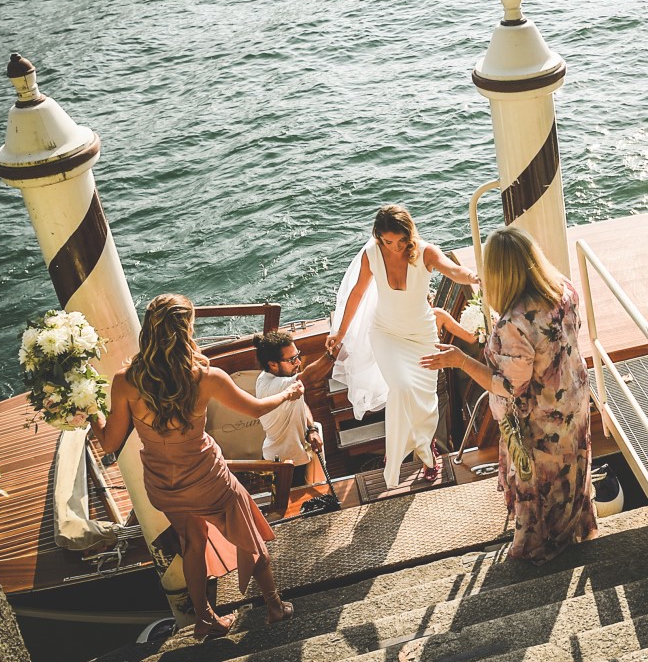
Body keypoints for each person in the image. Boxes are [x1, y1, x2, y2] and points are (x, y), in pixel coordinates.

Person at [97, 294, 299, 640]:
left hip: (163, 482)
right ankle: (274, 606)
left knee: (192, 542)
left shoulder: (126, 380)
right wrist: (287, 394)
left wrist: (92, 415)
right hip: (206, 477)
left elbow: (110, 442)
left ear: (148, 332)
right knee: (248, 535)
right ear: (187, 330)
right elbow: (255, 409)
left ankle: (205, 619)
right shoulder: (206, 377)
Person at [421, 226, 598, 564]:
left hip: (542, 419)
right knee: (571, 472)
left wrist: (460, 360)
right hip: (573, 399)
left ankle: (539, 547)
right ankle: (575, 532)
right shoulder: (564, 289)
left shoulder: (514, 323)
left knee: (542, 483)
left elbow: (508, 385)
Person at [326, 204, 480, 488]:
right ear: (378, 237)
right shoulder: (371, 255)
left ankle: (426, 447)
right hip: (385, 332)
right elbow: (358, 292)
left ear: (409, 233)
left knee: (425, 399)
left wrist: (472, 277)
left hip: (421, 335)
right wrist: (340, 332)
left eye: (400, 241)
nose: (395, 248)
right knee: (401, 388)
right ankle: (414, 453)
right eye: (387, 242)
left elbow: (452, 270)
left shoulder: (425, 251)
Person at [253, 330, 330, 486]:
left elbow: (301, 403)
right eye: (292, 359)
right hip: (283, 464)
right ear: (272, 364)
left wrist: (311, 429)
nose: (298, 363)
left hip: (299, 454)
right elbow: (309, 377)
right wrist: (332, 355)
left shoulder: (285, 379)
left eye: (298, 356)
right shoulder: (271, 386)